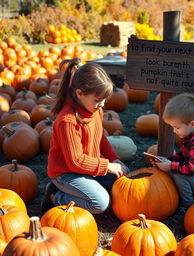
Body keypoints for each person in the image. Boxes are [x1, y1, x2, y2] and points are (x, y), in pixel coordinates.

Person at [41, 58, 129, 216]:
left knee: (124, 174)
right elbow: (75, 161)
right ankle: (56, 195)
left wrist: (114, 159)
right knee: (100, 203)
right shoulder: (67, 121)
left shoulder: (94, 110)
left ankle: (86, 187)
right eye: (97, 100)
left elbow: (100, 136)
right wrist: (106, 166)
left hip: (88, 169)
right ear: (80, 94)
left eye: (103, 100)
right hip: (66, 173)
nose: (101, 104)